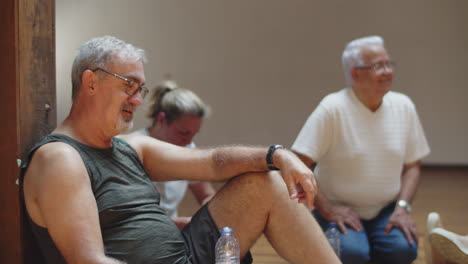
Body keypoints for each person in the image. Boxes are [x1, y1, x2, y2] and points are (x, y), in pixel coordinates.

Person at [20, 35, 340, 264]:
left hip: (186, 252)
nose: (137, 99)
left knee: (264, 181)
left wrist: (278, 155)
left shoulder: (132, 147)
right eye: (128, 85)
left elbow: (214, 163)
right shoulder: (60, 158)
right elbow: (88, 260)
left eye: (140, 89)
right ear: (91, 83)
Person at [291, 35, 430, 264]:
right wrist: (328, 210)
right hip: (337, 210)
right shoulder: (332, 108)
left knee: (403, 250)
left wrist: (402, 207)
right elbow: (297, 165)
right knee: (352, 253)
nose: (387, 71)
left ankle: (370, 243)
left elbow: (413, 166)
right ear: (356, 73)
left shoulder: (404, 106)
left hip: (386, 209)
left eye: (388, 64)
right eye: (378, 66)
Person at [132, 80, 215, 230]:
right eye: (183, 132)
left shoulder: (189, 148)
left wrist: (205, 217)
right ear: (162, 119)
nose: (188, 140)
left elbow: (206, 195)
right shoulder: (134, 147)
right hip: (140, 233)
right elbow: (127, 215)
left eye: (194, 134)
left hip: (170, 232)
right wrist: (177, 223)